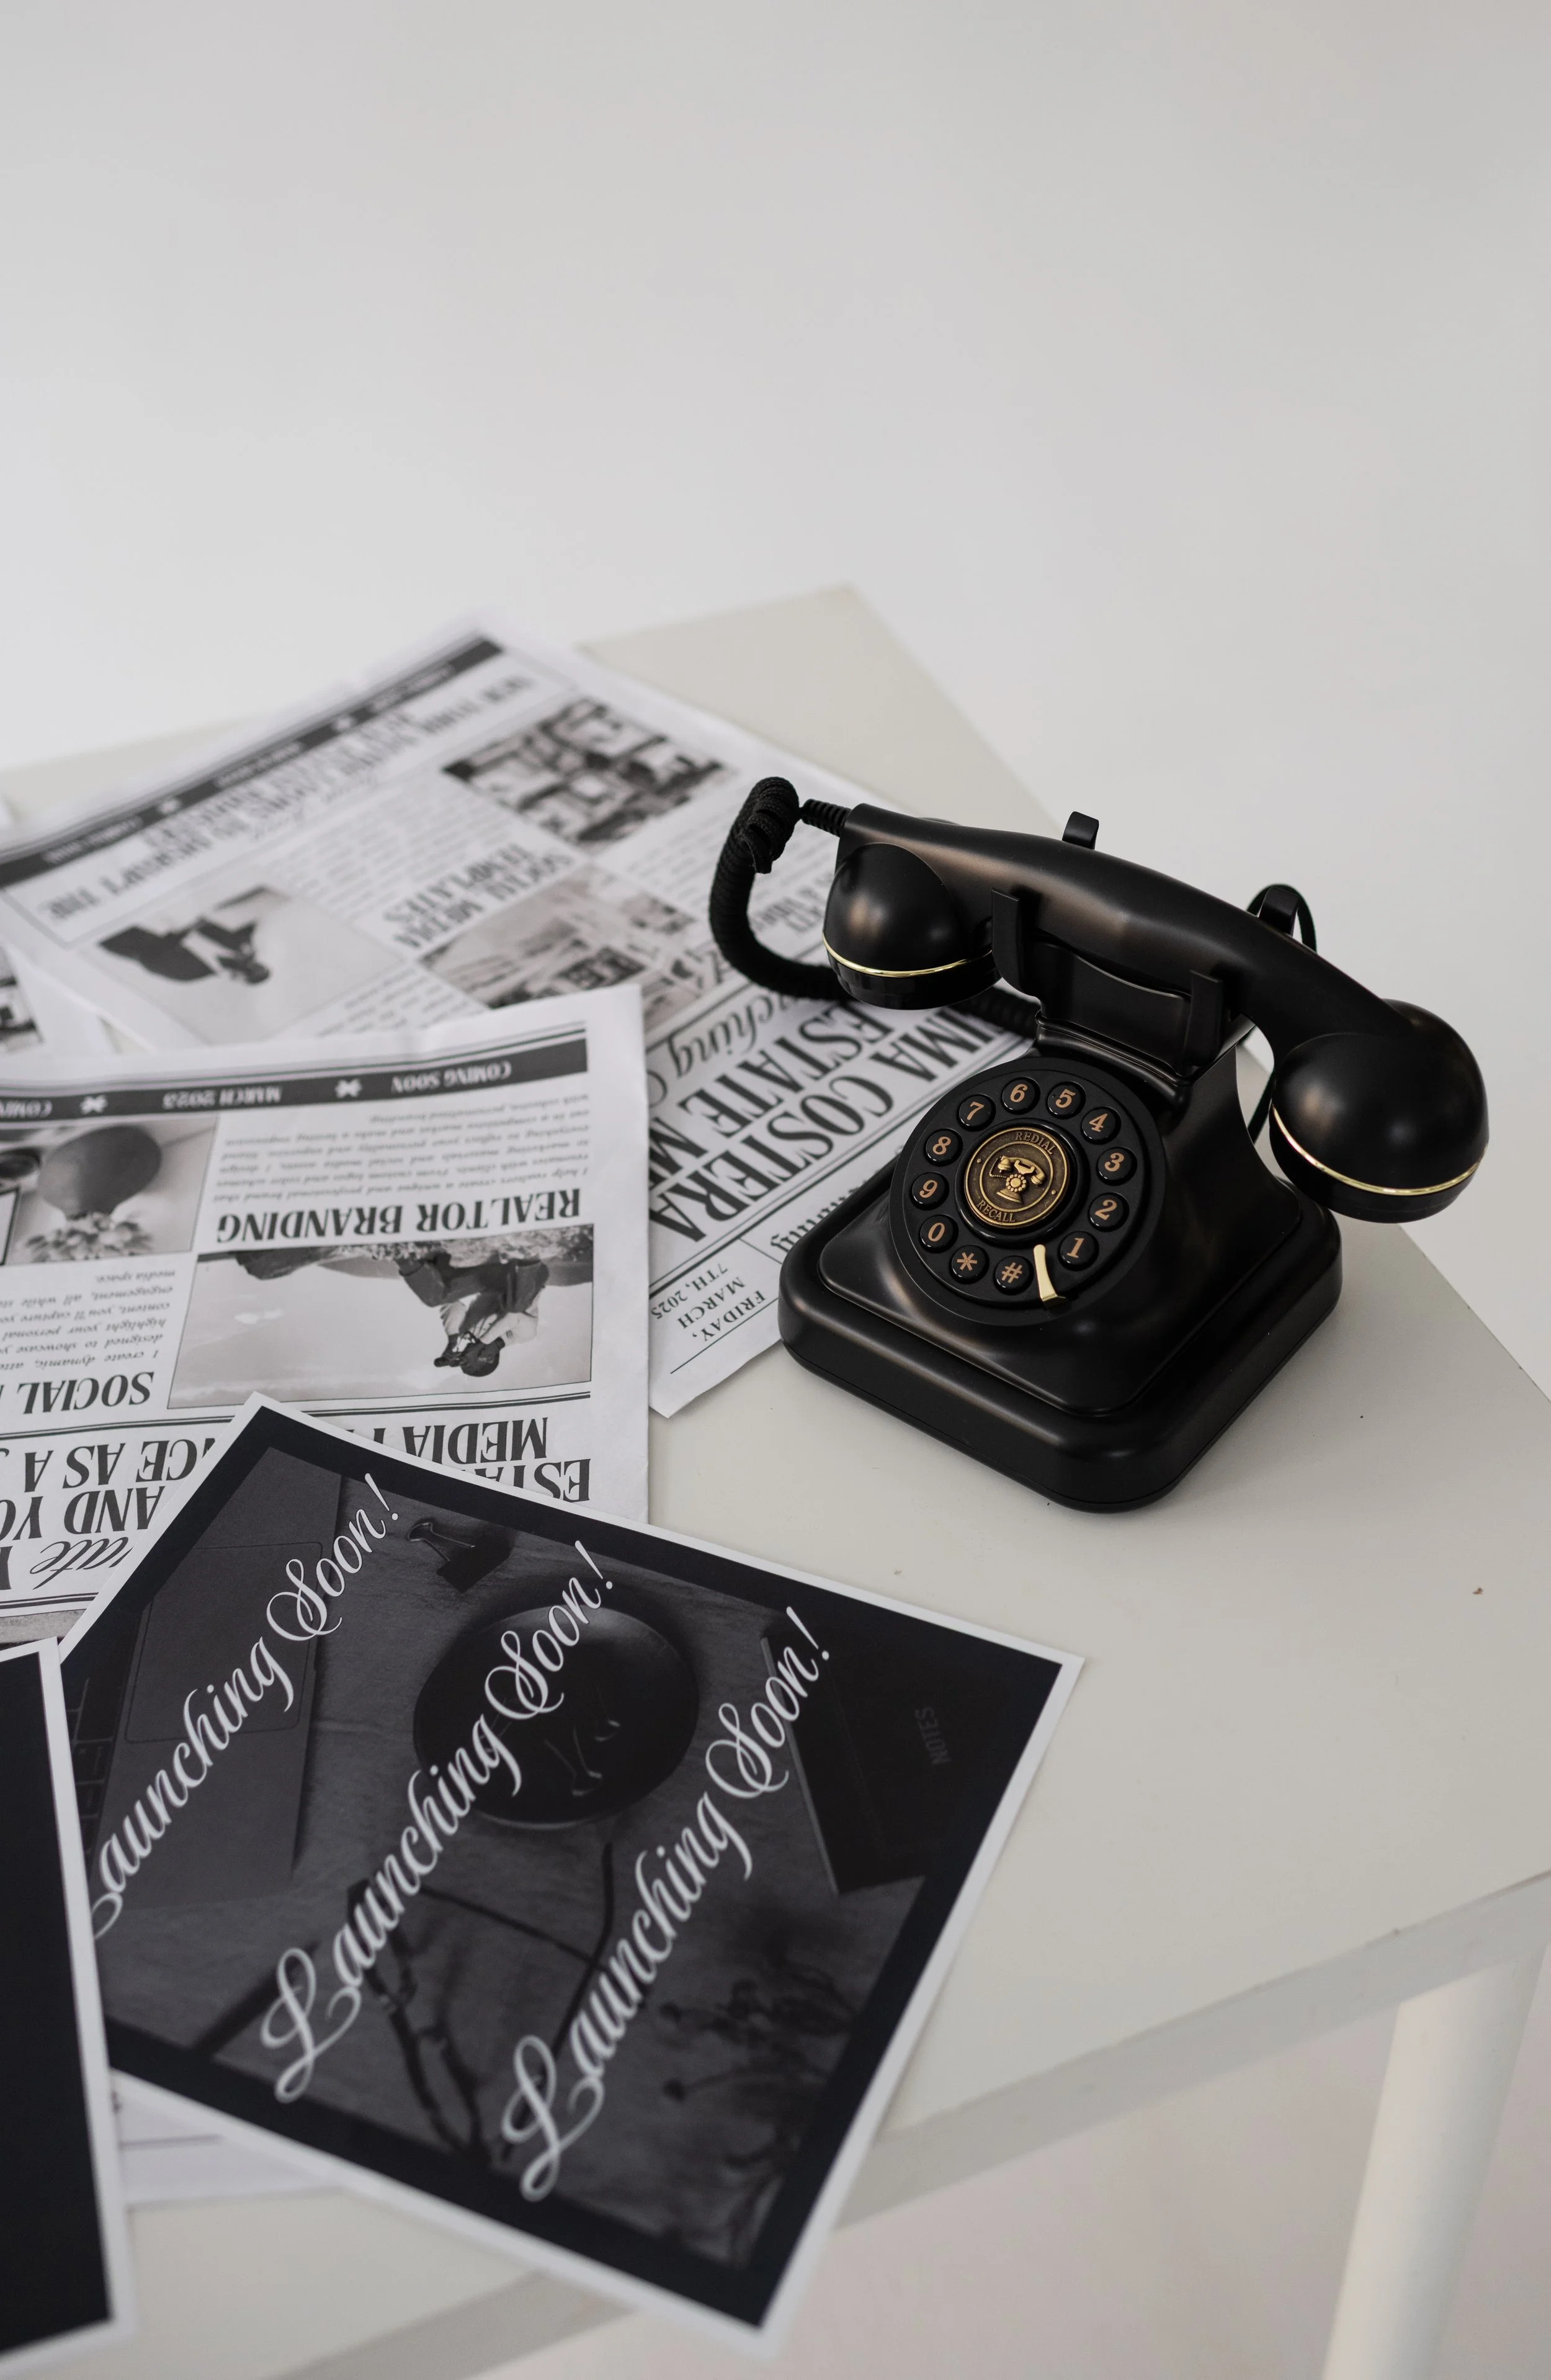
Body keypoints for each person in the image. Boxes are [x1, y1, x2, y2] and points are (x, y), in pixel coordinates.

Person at [395, 1248, 550, 1376]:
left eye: (463, 1358)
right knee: (516, 1306)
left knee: (434, 1299)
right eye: (469, 1358)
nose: (466, 1353)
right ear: (488, 1358)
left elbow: (453, 1305)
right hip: (525, 1277)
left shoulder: (468, 1335)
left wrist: (453, 1338)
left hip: (490, 1278)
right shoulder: (524, 1336)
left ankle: (400, 1254)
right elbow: (513, 1317)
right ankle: (529, 1254)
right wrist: (482, 1343)